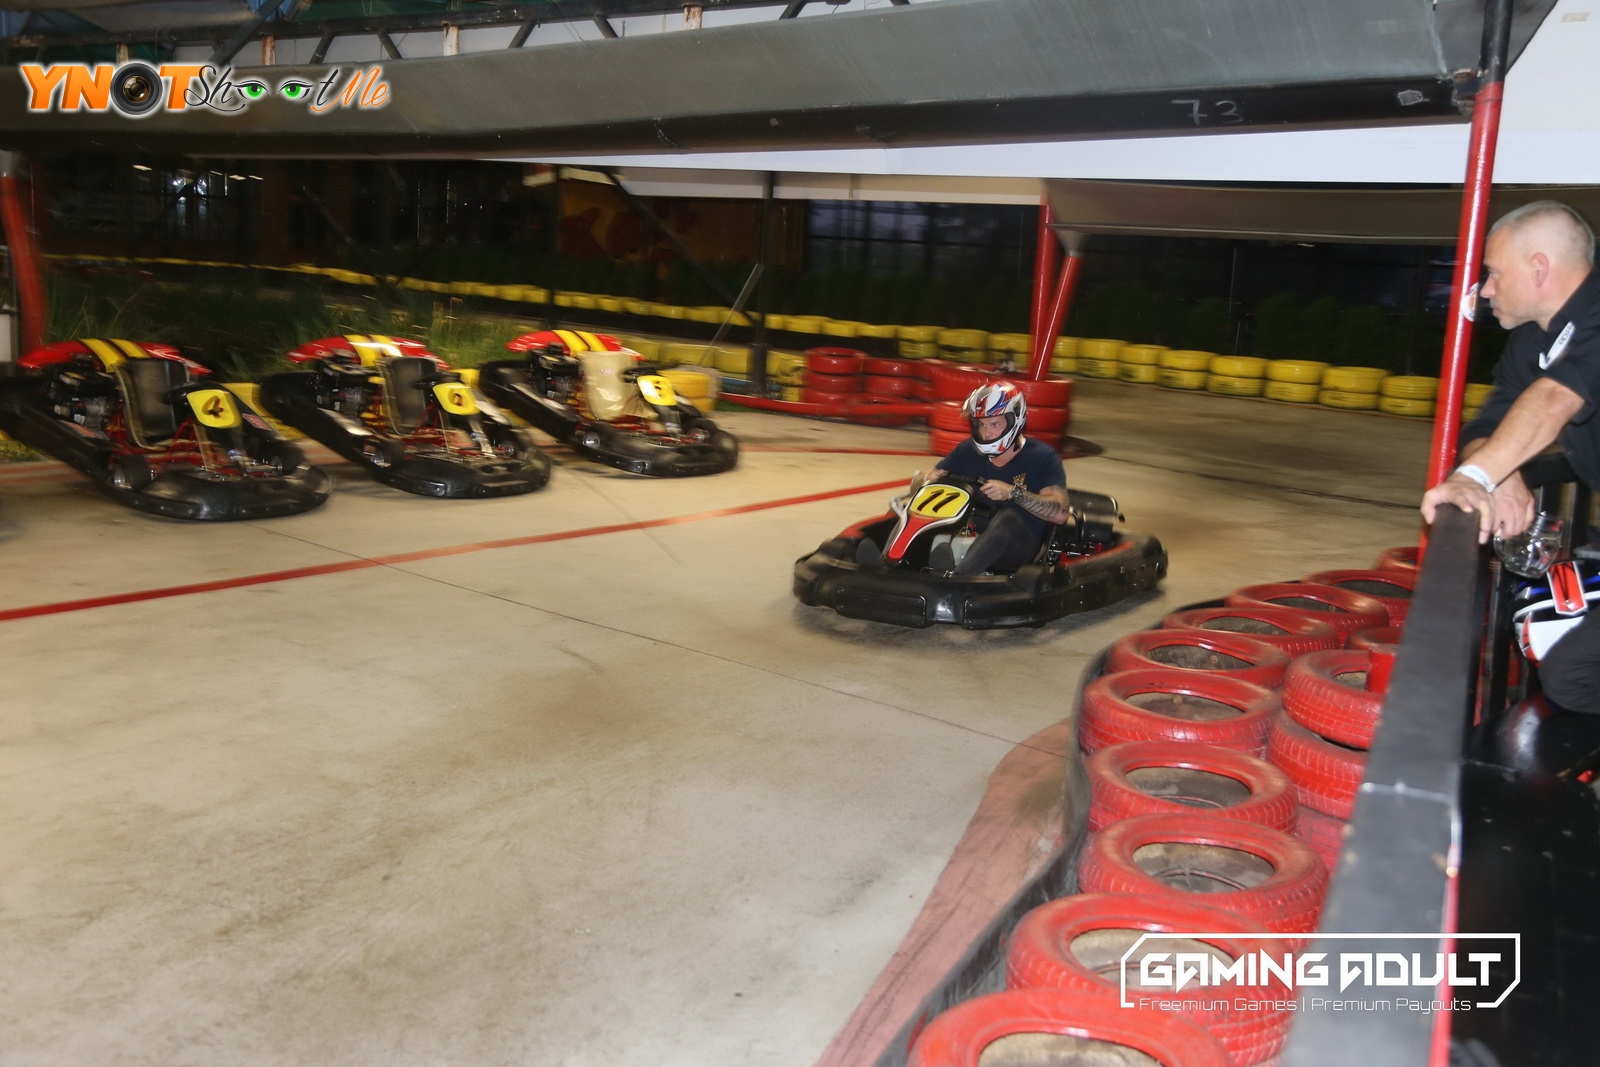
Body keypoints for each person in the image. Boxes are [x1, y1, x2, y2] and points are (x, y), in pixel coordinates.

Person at [1420, 200, 1600, 713]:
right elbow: (1484, 425)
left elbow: (1556, 397)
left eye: (1494, 272)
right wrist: (1503, 472)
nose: (1485, 289)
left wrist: (1474, 478)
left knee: (1572, 674)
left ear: (1539, 267)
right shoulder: (1533, 341)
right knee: (1561, 660)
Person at [858, 380, 1070, 575]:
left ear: (1015, 421)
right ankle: (887, 564)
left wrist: (1012, 493)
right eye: (981, 425)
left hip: (1017, 545)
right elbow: (921, 488)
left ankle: (959, 577)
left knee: (1008, 517)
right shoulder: (967, 451)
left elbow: (1060, 514)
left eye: (994, 424)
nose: (986, 433)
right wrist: (925, 480)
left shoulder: (1041, 457)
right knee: (913, 506)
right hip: (969, 530)